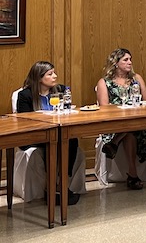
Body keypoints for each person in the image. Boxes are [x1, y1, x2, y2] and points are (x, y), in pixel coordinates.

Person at [16, 61, 84, 205]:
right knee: (54, 141)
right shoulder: (25, 95)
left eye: (54, 72)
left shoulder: (61, 90)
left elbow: (68, 110)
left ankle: (62, 183)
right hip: (34, 135)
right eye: (50, 74)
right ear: (39, 77)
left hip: (58, 131)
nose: (55, 76)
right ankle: (52, 187)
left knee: (71, 140)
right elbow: (24, 121)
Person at [96, 48, 146, 190]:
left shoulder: (137, 79)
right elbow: (104, 108)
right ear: (116, 63)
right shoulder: (104, 82)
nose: (130, 62)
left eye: (130, 59)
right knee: (129, 131)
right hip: (115, 123)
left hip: (136, 121)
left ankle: (115, 144)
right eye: (126, 60)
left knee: (131, 131)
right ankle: (133, 176)